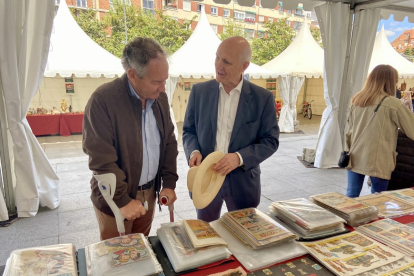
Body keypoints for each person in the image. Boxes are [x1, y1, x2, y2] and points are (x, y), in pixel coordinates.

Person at [83, 37, 178, 240]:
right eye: (156, 82)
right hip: (115, 196)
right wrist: (123, 200)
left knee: (141, 249)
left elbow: (169, 142)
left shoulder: (159, 98)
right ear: (133, 75)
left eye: (164, 81)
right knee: (116, 255)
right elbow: (101, 158)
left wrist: (168, 183)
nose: (162, 88)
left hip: (150, 193)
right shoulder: (103, 100)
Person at [183, 36, 279, 222]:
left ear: (244, 66)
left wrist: (239, 158)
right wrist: (193, 150)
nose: (219, 65)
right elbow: (189, 130)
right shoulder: (199, 92)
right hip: (206, 179)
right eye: (217, 57)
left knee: (245, 236)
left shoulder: (263, 98)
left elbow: (270, 141)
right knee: (207, 233)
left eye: (226, 61)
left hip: (243, 182)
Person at [345, 65, 414, 198]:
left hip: (354, 154)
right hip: (379, 157)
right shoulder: (393, 103)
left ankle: (348, 218)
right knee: (378, 198)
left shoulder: (357, 99)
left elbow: (351, 127)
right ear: (390, 81)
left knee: (351, 195)